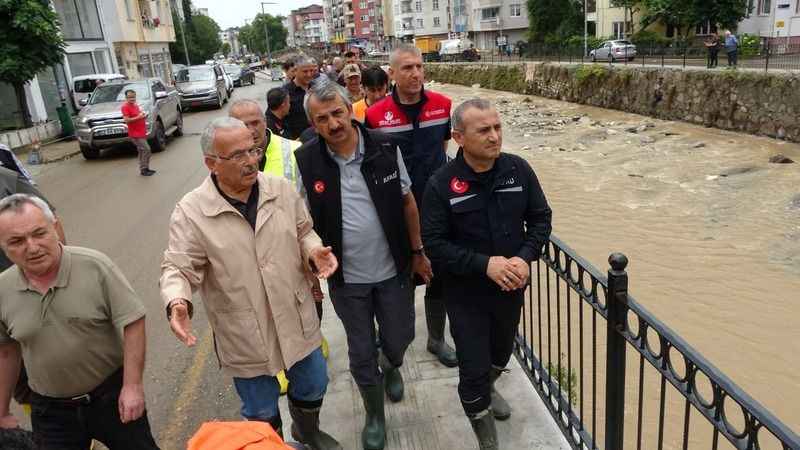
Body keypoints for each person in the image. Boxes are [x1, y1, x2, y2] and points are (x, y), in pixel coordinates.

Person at [160, 117, 342, 450]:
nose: (250, 160)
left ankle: (306, 432)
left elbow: (304, 231)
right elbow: (178, 266)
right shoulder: (191, 211)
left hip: (294, 313)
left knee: (314, 382)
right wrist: (177, 302)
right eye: (238, 155)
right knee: (259, 408)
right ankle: (269, 444)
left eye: (253, 150)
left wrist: (315, 252)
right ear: (211, 163)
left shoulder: (279, 189)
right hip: (244, 330)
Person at [295, 81, 432, 450]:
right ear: (313, 123)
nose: (333, 123)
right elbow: (301, 221)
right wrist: (309, 265)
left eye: (338, 113)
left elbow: (407, 203)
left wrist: (418, 252)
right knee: (360, 351)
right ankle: (375, 414)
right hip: (347, 279)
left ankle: (392, 365)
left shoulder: (385, 147)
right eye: (322, 119)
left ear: (349, 111)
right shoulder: (306, 161)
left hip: (394, 270)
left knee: (400, 337)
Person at [421, 99, 552, 450]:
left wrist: (525, 258)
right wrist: (486, 264)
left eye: (497, 127)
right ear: (459, 137)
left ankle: (489, 387)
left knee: (501, 354)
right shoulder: (442, 185)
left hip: (511, 289)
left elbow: (540, 219)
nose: (495, 137)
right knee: (474, 370)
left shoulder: (518, 170)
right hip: (466, 297)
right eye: (484, 130)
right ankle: (486, 436)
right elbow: (434, 244)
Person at [0, 193, 159, 450]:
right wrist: (2, 409)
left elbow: (133, 322)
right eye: (17, 241)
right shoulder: (3, 290)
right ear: (3, 246)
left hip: (110, 396)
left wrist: (132, 387)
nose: (31, 247)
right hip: (50, 412)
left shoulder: (95, 267)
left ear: (55, 227)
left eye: (39, 233)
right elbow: (7, 351)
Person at [365, 44, 458, 368]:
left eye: (419, 66)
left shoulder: (443, 106)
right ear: (392, 74)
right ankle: (392, 352)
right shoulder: (375, 116)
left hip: (437, 210)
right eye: (407, 68)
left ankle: (436, 339)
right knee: (397, 283)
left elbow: (443, 149)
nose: (416, 73)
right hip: (396, 212)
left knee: (439, 276)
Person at [121, 89, 155, 176]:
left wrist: (143, 116)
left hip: (141, 132)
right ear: (126, 98)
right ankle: (144, 169)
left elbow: (138, 116)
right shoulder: (125, 107)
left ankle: (145, 168)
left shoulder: (135, 106)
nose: (132, 99)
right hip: (135, 134)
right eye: (129, 97)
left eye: (133, 97)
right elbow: (127, 120)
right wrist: (139, 117)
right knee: (147, 149)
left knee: (141, 151)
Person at [283, 56, 318, 140]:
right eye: (305, 71)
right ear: (296, 71)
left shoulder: (317, 88)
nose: (309, 74)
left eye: (311, 71)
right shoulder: (285, 93)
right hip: (297, 142)